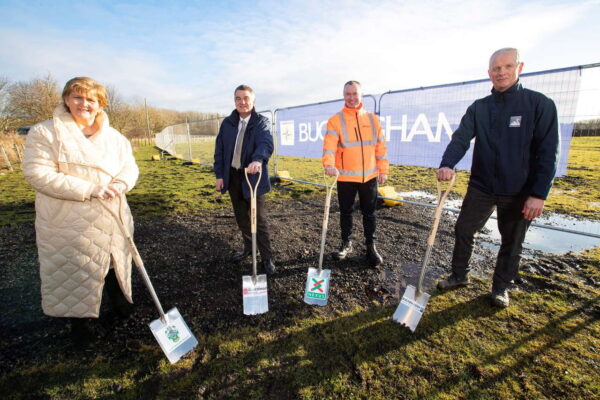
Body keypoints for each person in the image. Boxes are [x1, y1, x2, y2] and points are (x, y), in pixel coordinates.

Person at [436, 48, 560, 307]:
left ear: (519, 67)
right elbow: (460, 139)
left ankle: (500, 288)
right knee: (463, 230)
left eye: (507, 66)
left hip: (519, 190)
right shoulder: (479, 108)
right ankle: (459, 275)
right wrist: (447, 163)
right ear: (489, 73)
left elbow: (549, 153)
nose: (501, 72)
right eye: (496, 68)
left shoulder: (539, 104)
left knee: (512, 241)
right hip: (482, 185)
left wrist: (538, 194)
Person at [22, 77, 139, 345]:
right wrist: (90, 189)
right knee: (74, 267)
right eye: (77, 97)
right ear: (66, 99)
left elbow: (129, 167)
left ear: (100, 105)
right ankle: (79, 324)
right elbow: (37, 173)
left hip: (111, 214)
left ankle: (119, 302)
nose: (84, 104)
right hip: (69, 218)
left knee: (113, 261)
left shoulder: (115, 138)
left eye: (91, 100)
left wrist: (121, 182)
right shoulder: (46, 133)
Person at [322, 80, 389, 266]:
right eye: (348, 94)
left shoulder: (372, 119)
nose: (351, 98)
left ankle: (371, 246)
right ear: (344, 96)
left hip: (369, 176)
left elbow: (380, 147)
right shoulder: (335, 120)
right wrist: (328, 164)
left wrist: (383, 170)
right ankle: (346, 243)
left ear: (361, 95)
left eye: (354, 94)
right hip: (344, 177)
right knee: (346, 212)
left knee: (370, 213)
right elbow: (329, 147)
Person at [214, 84, 276, 274]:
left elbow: (265, 142)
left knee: (259, 219)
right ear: (234, 101)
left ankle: (267, 258)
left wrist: (258, 159)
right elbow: (220, 150)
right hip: (232, 176)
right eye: (238, 98)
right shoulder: (228, 123)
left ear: (253, 100)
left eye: (246, 98)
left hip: (253, 177)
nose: (242, 102)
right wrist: (219, 175)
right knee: (242, 218)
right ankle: (249, 249)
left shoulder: (261, 122)